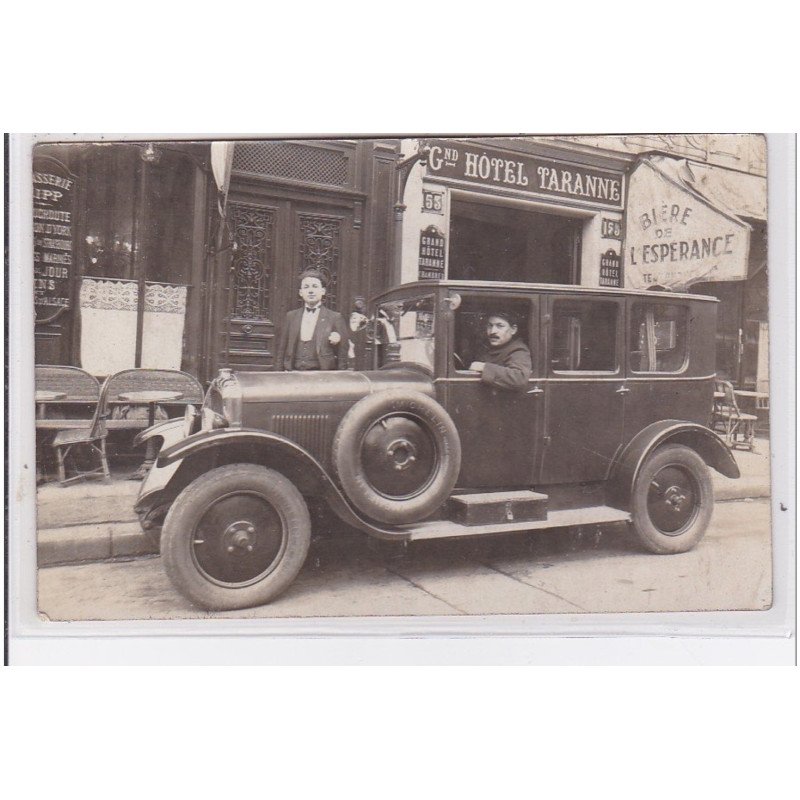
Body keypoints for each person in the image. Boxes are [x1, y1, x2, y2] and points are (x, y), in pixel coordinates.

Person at [275, 269, 350, 371]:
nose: (310, 291)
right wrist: (279, 375)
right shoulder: (291, 316)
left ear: (323, 291)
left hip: (321, 377)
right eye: (306, 287)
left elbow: (342, 354)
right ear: (301, 292)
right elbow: (281, 349)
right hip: (293, 375)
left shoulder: (335, 317)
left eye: (315, 287)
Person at [468, 310, 532, 391]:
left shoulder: (518, 350)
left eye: (500, 326)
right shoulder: (486, 347)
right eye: (490, 326)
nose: (492, 331)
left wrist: (484, 367)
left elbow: (519, 378)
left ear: (513, 330)